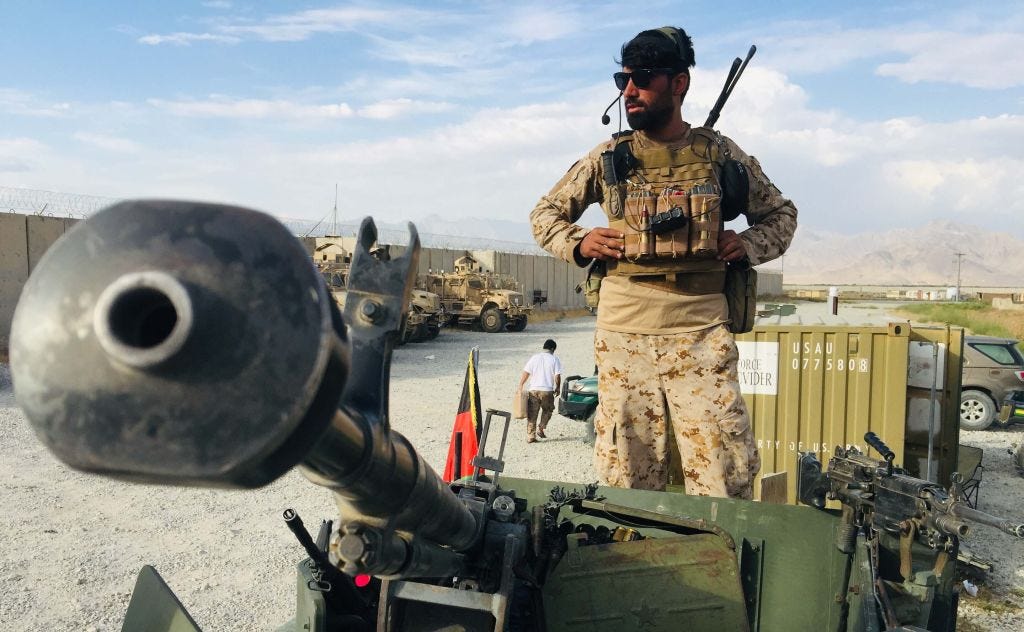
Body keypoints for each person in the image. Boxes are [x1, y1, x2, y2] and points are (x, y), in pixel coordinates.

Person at [529, 27, 797, 499]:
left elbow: (781, 214)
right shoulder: (611, 157)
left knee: (722, 469)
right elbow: (544, 214)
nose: (629, 91)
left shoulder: (719, 154)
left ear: (679, 84)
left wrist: (747, 245)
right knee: (627, 473)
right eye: (623, 80)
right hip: (623, 333)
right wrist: (581, 240)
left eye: (643, 79)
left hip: (701, 331)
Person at [519, 339, 562, 443]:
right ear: (552, 349)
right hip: (547, 391)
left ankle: (530, 436)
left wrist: (521, 384)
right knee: (548, 410)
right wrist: (557, 387)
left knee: (532, 413)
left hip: (533, 390)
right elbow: (557, 376)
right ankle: (541, 428)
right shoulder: (555, 359)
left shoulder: (534, 358)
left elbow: (526, 372)